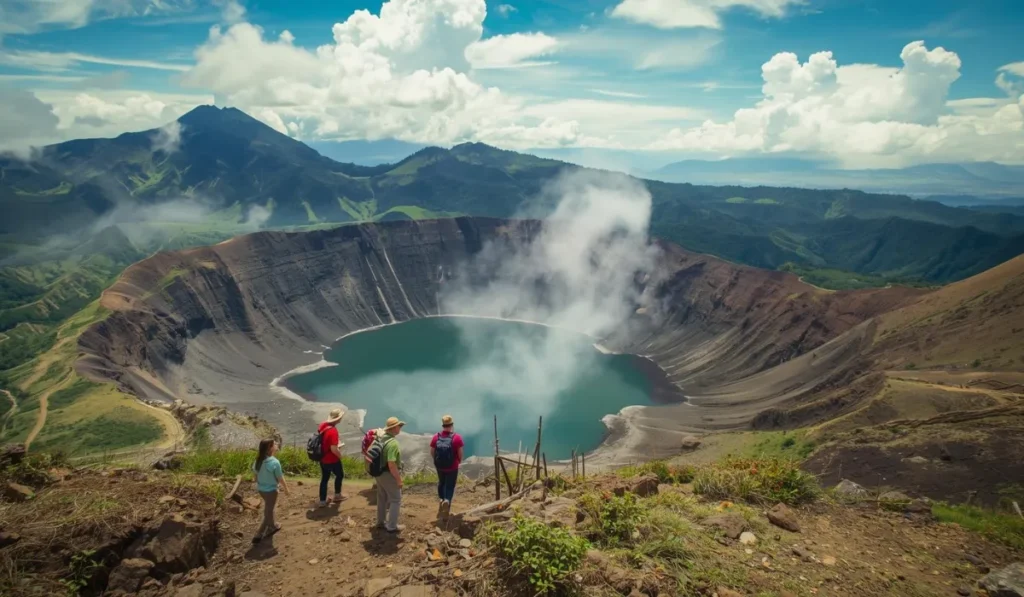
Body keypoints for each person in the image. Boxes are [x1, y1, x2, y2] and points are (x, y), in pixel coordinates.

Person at [253, 438, 288, 543]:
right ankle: (263, 531)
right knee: (268, 510)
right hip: (271, 491)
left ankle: (268, 528)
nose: (277, 444)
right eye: (274, 444)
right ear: (270, 448)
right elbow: (280, 478)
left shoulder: (258, 461)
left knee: (269, 509)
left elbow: (255, 478)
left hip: (261, 490)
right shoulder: (274, 462)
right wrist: (286, 488)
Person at [375, 416, 405, 533]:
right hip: (388, 474)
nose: (400, 428)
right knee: (396, 499)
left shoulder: (381, 439)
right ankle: (392, 526)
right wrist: (398, 480)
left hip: (378, 473)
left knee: (381, 498)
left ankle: (380, 522)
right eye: (399, 426)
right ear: (394, 428)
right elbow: (391, 464)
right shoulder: (393, 443)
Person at [430, 414, 464, 513]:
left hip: (440, 466)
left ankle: (441, 499)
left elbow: (432, 451)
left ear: (443, 425)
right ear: (452, 424)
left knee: (441, 482)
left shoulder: (436, 437)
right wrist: (458, 461)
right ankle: (447, 500)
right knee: (450, 485)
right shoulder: (457, 437)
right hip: (452, 466)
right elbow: (460, 453)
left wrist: (437, 461)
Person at [317, 408, 345, 508]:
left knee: (324, 479)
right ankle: (337, 495)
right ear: (338, 418)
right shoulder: (333, 431)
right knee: (340, 475)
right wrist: (340, 455)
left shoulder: (323, 425)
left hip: (322, 457)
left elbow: (324, 440)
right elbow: (333, 449)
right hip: (332, 459)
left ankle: (322, 501)